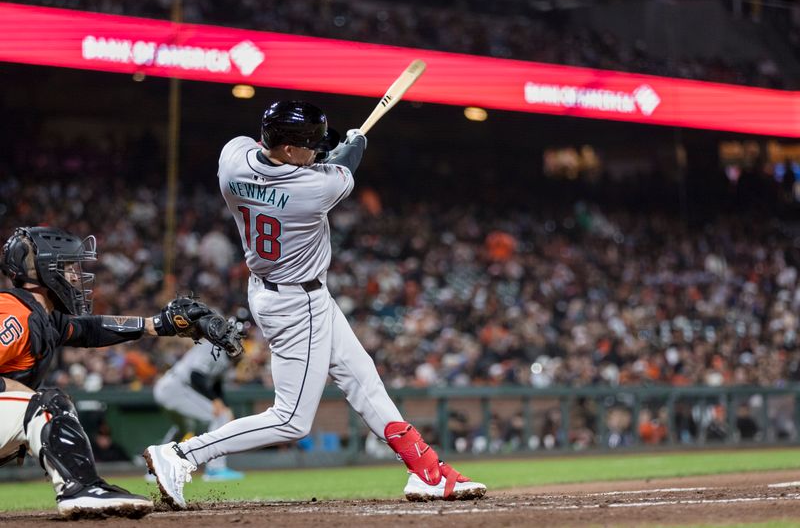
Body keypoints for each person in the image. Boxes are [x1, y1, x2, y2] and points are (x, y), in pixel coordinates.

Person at [144, 100, 486, 508]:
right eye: (308, 145)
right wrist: (355, 141)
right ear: (288, 149)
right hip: (295, 302)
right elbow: (344, 162)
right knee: (290, 419)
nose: (316, 150)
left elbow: (307, 158)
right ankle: (182, 455)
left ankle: (425, 469)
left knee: (363, 379)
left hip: (279, 289)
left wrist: (324, 150)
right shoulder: (315, 189)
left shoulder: (232, 158)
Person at [0, 226, 242, 518]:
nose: (76, 275)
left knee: (43, 404)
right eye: (66, 267)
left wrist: (157, 324)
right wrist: (27, 399)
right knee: (48, 405)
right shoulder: (14, 314)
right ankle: (81, 489)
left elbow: (91, 329)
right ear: (42, 271)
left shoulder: (44, 317)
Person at [152, 314, 248, 482]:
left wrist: (224, 403)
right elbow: (196, 376)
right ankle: (215, 469)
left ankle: (155, 468)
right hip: (177, 387)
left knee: (184, 426)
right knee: (220, 416)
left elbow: (216, 385)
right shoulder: (212, 347)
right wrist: (218, 404)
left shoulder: (224, 352)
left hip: (171, 387)